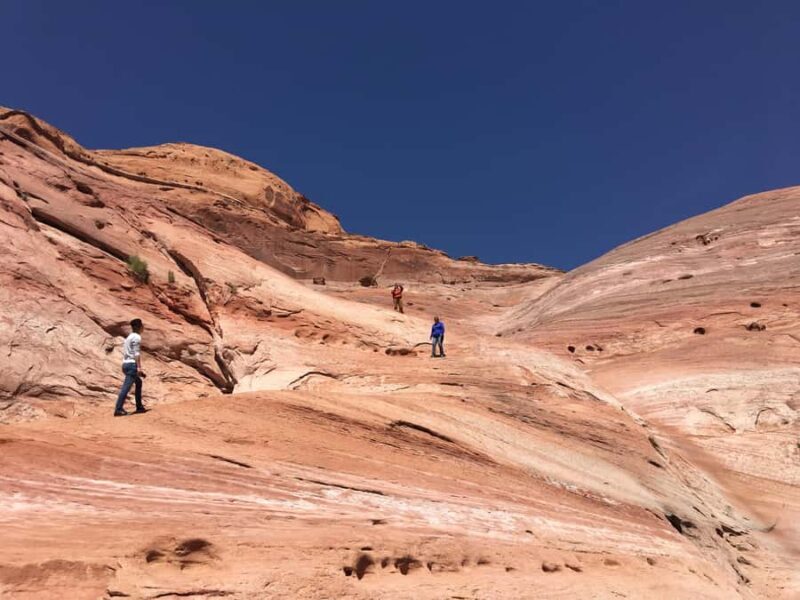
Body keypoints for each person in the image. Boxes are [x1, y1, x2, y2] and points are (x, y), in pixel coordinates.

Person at [114, 318, 147, 416]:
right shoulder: (136, 337)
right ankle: (118, 409)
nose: (143, 327)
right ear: (138, 327)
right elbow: (136, 353)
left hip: (125, 364)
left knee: (138, 382)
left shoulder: (129, 337)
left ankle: (139, 407)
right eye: (142, 325)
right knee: (126, 387)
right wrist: (139, 368)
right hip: (132, 365)